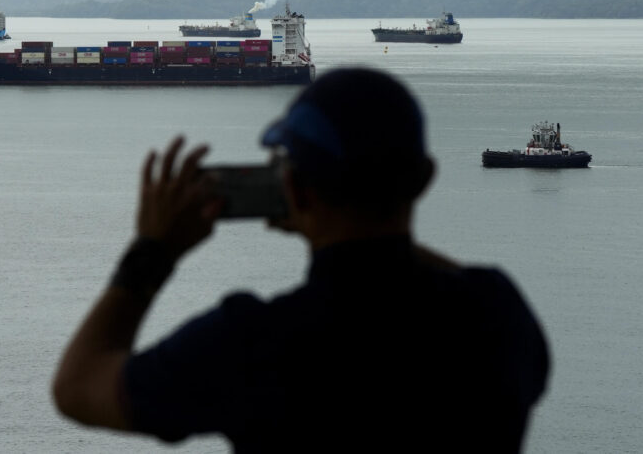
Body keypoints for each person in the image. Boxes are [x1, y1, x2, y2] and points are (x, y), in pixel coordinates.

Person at [52, 67, 550, 452]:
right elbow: (403, 264)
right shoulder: (497, 314)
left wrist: (154, 251)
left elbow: (77, 388)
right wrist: (339, 223)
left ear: (293, 189)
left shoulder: (249, 342)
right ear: (424, 180)